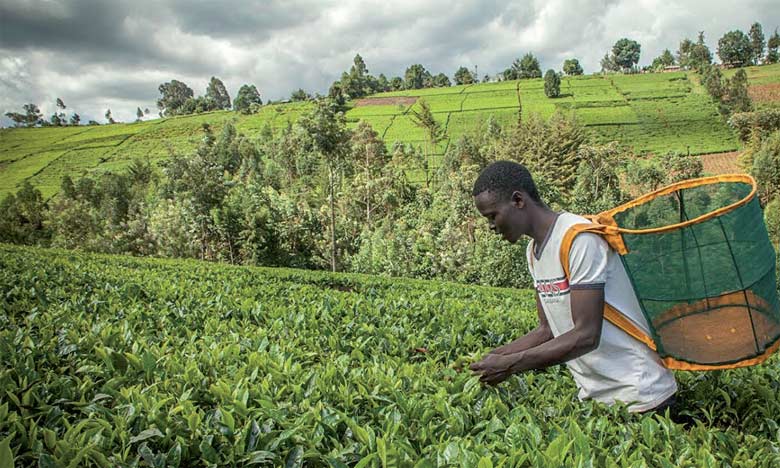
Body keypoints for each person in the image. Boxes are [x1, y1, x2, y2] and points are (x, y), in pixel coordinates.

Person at [468, 160, 677, 413]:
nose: (491, 226)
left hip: (641, 396)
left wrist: (511, 365)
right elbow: (547, 330)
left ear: (518, 201)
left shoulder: (579, 239)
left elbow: (586, 335)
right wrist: (492, 360)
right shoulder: (533, 253)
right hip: (596, 401)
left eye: (492, 216)